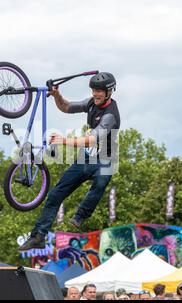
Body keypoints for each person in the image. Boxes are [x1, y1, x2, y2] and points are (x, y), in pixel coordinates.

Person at [19, 72, 120, 251]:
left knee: (100, 184)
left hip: (105, 159)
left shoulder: (110, 115)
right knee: (55, 194)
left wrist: (64, 141)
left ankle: (81, 215)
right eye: (93, 90)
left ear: (109, 92)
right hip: (86, 158)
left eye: (99, 91)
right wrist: (57, 95)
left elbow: (92, 140)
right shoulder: (90, 103)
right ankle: (39, 236)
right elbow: (66, 107)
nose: (95, 94)